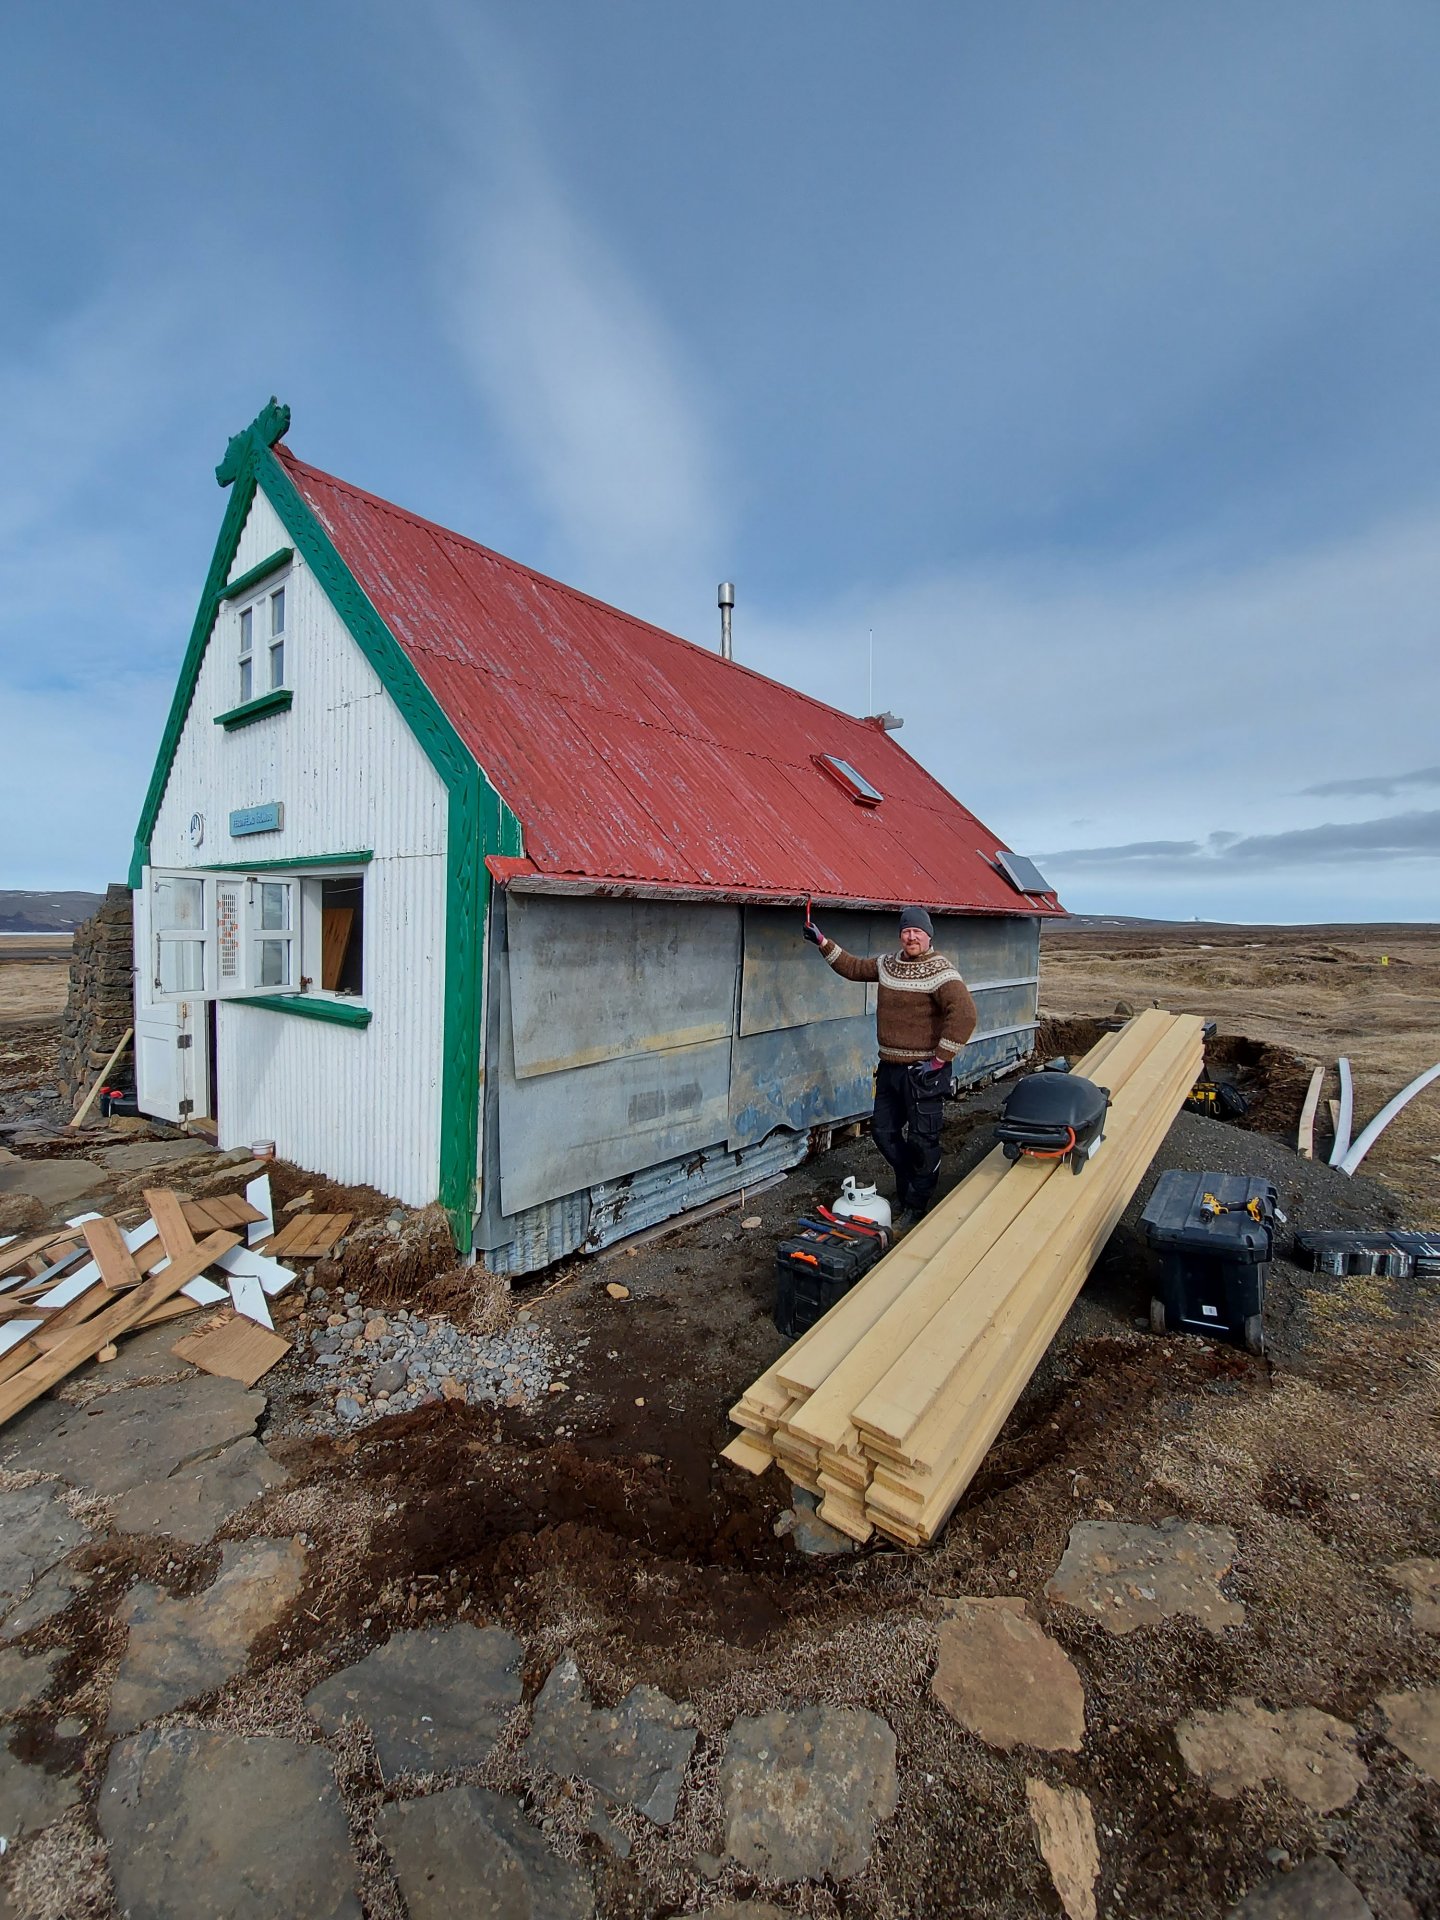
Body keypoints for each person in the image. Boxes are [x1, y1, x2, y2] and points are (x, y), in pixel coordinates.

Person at [804, 906, 977, 1221]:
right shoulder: (887, 964)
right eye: (906, 931)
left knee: (923, 1141)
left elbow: (964, 1014)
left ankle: (915, 1205)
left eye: (917, 932)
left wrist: (939, 1061)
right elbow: (853, 968)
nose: (911, 937)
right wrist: (822, 942)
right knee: (883, 1132)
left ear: (928, 935)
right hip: (890, 1069)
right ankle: (910, 1184)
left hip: (925, 1071)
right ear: (901, 934)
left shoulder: (941, 971)